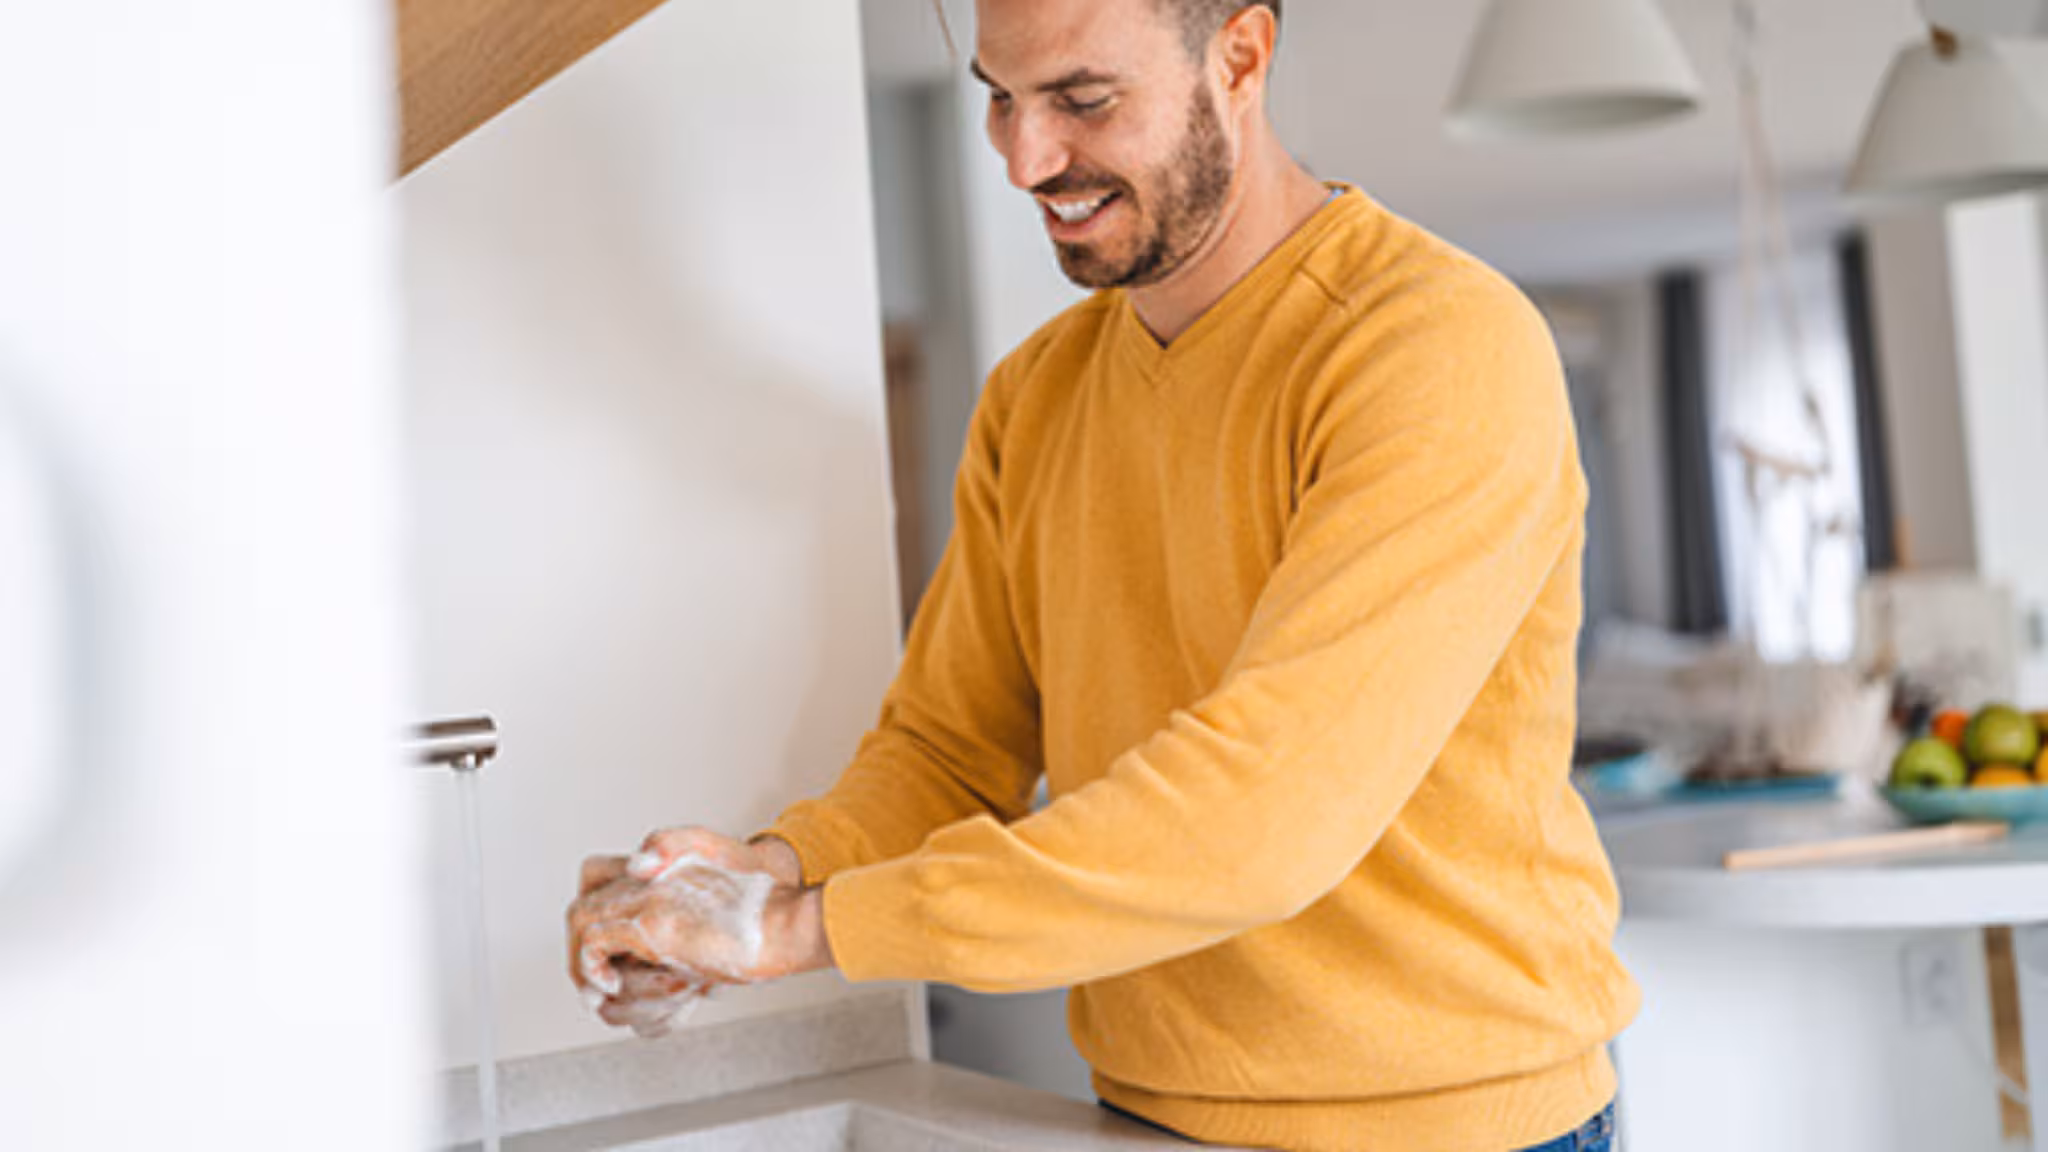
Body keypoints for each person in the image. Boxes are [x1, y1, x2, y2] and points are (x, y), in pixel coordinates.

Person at [566, 0, 1640, 1147]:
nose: (1027, 160)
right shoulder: (1034, 397)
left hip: (1456, 1128)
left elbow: (1258, 817)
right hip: (1143, 1114)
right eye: (999, 98)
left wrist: (792, 928)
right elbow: (945, 749)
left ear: (1239, 53)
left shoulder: (1434, 349)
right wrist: (761, 872)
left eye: (1081, 99)